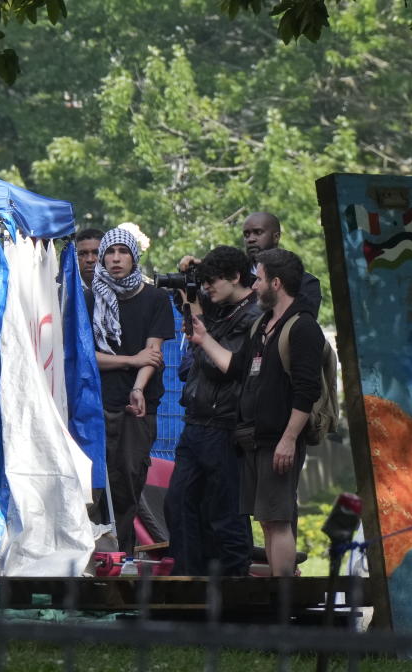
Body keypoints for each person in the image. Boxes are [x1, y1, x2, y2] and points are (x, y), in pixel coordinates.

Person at [189, 248, 323, 577]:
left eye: (259, 279)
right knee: (266, 519)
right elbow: (236, 366)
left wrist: (289, 439)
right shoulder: (262, 324)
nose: (255, 284)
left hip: (279, 439)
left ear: (276, 283)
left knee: (278, 521)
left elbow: (307, 391)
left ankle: (284, 602)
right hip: (254, 438)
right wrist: (204, 339)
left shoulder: (302, 326)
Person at [165, 246, 261, 576]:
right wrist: (192, 278)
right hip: (196, 421)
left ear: (235, 277)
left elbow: (229, 366)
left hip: (225, 425)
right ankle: (189, 586)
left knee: (225, 514)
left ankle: (234, 594)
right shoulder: (221, 307)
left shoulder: (253, 315)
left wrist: (202, 335)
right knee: (178, 504)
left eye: (211, 281)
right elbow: (196, 313)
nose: (206, 289)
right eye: (203, 283)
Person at [90, 227, 175, 554]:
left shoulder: (154, 299)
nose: (115, 259)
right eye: (109, 253)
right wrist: (130, 359)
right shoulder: (90, 297)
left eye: (122, 252)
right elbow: (88, 358)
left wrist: (138, 387)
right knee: (96, 486)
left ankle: (120, 555)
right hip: (96, 404)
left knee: (128, 482)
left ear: (134, 256)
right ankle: (94, 555)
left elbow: (152, 355)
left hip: (137, 407)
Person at [241, 212, 322, 313]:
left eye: (258, 232)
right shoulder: (235, 280)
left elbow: (302, 320)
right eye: (246, 235)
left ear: (276, 237)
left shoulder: (305, 282)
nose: (251, 239)